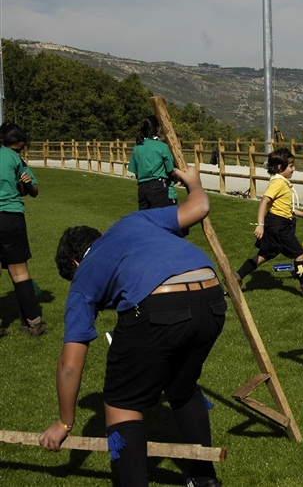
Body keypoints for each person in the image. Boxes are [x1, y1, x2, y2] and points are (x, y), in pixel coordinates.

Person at [40, 166, 226, 487]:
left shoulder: (84, 276)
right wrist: (194, 182)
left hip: (159, 304)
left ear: (74, 264)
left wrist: (64, 422)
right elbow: (199, 208)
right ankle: (203, 479)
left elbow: (70, 364)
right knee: (182, 388)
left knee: (121, 403)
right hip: (211, 296)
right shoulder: (134, 221)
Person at [234, 147, 303, 297]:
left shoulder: (281, 182)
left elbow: (283, 206)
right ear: (280, 167)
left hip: (276, 223)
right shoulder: (278, 183)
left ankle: (236, 277)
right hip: (278, 225)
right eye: (291, 166)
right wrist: (260, 225)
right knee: (299, 254)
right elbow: (264, 201)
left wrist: (300, 213)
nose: (294, 169)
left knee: (266, 255)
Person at [0, 122, 44, 338]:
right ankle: (33, 322)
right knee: (19, 272)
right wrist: (25, 184)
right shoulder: (16, 159)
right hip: (10, 217)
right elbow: (33, 191)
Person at [127, 115, 177, 210]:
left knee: (145, 220)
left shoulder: (137, 148)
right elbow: (170, 169)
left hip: (142, 189)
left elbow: (135, 171)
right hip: (158, 187)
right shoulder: (162, 146)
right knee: (160, 219)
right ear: (157, 128)